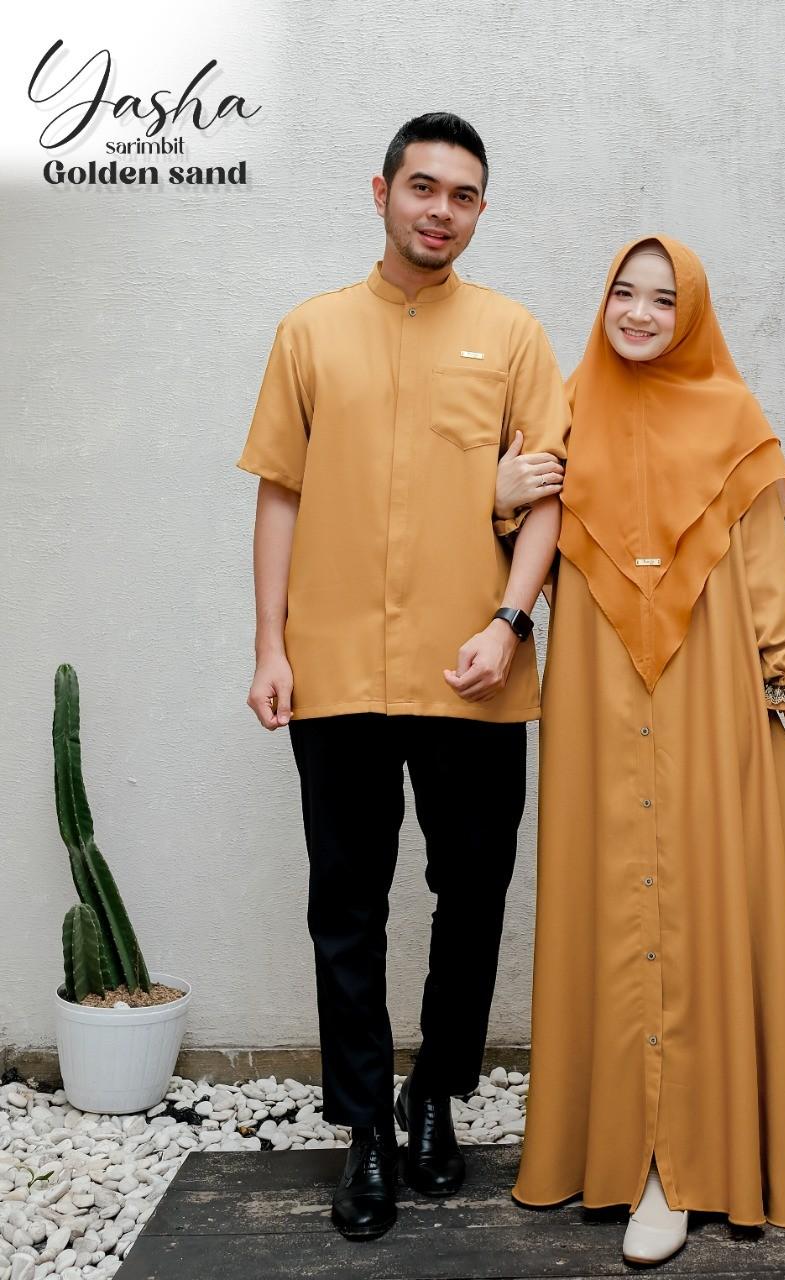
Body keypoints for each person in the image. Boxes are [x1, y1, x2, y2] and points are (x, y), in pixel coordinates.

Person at [236, 112, 569, 1241]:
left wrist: (509, 622)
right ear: (380, 192)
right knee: (346, 902)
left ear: (480, 212)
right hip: (335, 670)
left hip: (475, 666)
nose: (440, 210)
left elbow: (548, 496)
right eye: (423, 187)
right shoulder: (310, 332)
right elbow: (280, 490)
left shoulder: (513, 334)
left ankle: (438, 1093)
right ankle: (366, 1125)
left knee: (473, 894)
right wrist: (270, 643)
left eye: (462, 195)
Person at [499, 236, 785, 1265]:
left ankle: (683, 1160)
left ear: (690, 313)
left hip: (708, 688)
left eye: (664, 299)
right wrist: (500, 491)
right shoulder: (567, 408)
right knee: (614, 898)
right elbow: (521, 547)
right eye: (624, 292)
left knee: (700, 898)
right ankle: (623, 1146)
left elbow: (762, 567)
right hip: (599, 693)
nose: (640, 313)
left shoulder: (731, 416)